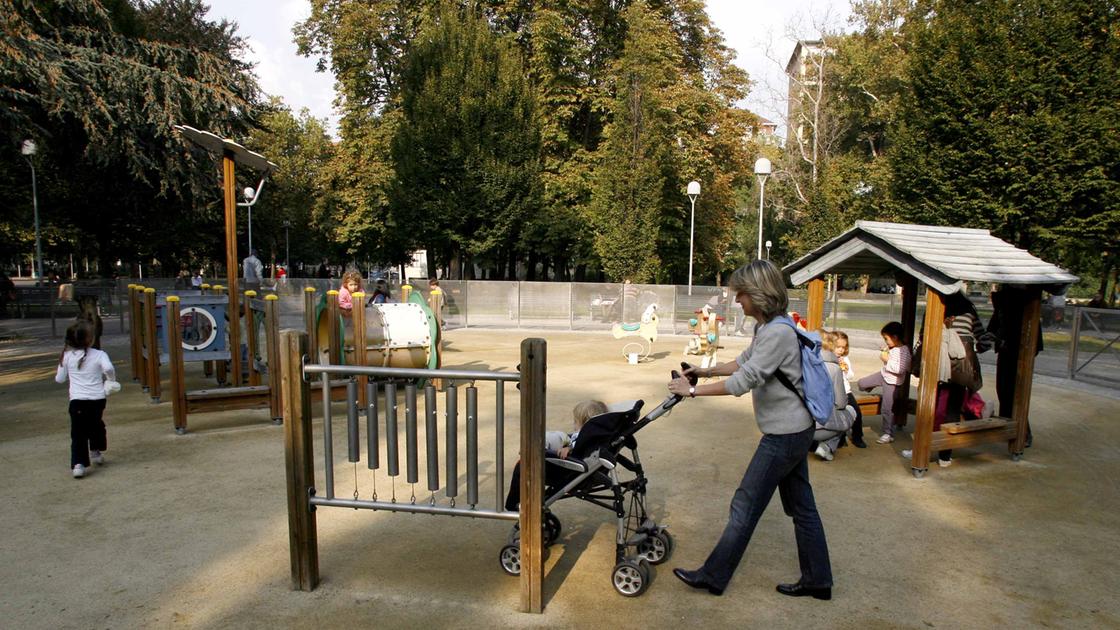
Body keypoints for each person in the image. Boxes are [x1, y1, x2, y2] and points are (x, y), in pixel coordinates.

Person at [667, 260, 832, 599]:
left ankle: (713, 576)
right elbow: (743, 362)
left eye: (741, 294)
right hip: (794, 431)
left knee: (745, 505)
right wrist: (702, 371)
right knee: (802, 507)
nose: (737, 300)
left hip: (785, 436)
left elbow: (743, 381)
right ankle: (818, 580)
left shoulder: (778, 333)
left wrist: (693, 392)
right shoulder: (770, 327)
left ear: (758, 293)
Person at [504, 399, 608, 511]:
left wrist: (570, 448)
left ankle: (513, 504)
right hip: (588, 471)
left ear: (585, 423)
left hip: (570, 472)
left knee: (523, 466)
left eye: (576, 422)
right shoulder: (601, 436)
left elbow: (579, 447)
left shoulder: (585, 438)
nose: (574, 425)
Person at [55, 321, 118, 479]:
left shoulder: (66, 357)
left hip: (77, 400)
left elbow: (59, 379)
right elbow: (109, 368)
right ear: (90, 339)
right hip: (97, 399)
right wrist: (111, 380)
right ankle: (95, 450)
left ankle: (78, 463)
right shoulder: (99, 354)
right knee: (96, 424)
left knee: (78, 432)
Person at [988, 287, 1043, 447]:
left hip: (1020, 355)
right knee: (1004, 392)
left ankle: (1023, 433)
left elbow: (1034, 339)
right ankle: (1008, 428)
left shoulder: (1024, 306)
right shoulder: (1003, 306)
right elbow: (993, 327)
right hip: (1006, 353)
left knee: (1016, 394)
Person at [857, 321, 911, 444]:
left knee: (887, 408)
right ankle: (872, 388)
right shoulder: (894, 348)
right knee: (861, 383)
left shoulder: (904, 351)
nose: (886, 341)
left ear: (895, 337)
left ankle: (888, 433)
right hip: (883, 375)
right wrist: (886, 351)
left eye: (886, 339)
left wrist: (886, 360)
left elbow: (900, 370)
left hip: (892, 382)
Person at [812, 330, 857, 461]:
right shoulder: (833, 367)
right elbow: (841, 403)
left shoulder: (801, 362)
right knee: (850, 411)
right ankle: (827, 446)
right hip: (819, 425)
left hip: (794, 423)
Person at [832, 330, 866, 448]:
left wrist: (845, 369)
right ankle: (839, 438)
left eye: (843, 347)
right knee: (836, 415)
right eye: (838, 347)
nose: (841, 350)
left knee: (857, 412)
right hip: (833, 392)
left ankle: (857, 436)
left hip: (846, 391)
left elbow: (851, 376)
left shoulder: (845, 359)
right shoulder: (828, 358)